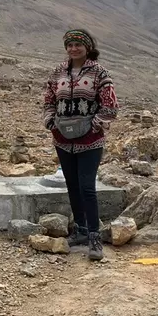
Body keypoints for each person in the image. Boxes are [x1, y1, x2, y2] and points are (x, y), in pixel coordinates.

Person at [42, 29, 118, 260]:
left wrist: (94, 125)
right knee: (72, 185)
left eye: (78, 45)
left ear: (87, 47)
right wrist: (51, 122)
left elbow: (110, 106)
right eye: (70, 45)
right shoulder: (58, 72)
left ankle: (95, 236)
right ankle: (81, 230)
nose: (73, 49)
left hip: (90, 140)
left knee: (87, 187)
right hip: (62, 139)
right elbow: (49, 100)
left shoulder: (99, 73)